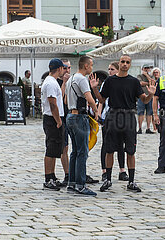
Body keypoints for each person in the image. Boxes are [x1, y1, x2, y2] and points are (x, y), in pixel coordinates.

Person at [90, 54, 156, 193]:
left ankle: (131, 181)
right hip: (113, 115)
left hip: (129, 116)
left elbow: (144, 100)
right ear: (119, 63)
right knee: (109, 149)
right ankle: (108, 179)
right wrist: (95, 89)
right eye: (122, 62)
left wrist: (150, 94)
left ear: (130, 65)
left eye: (127, 62)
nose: (125, 64)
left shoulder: (133, 82)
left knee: (131, 150)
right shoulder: (110, 81)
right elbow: (102, 100)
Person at [65, 56, 98, 196]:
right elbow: (89, 98)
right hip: (79, 117)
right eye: (91, 65)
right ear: (86, 66)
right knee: (82, 152)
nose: (91, 67)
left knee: (74, 152)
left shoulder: (71, 79)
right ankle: (81, 184)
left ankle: (72, 183)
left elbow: (66, 100)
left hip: (70, 116)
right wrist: (96, 111)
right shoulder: (82, 79)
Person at [98, 61, 128, 182]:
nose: (110, 72)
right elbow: (101, 100)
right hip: (108, 115)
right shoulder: (107, 83)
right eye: (109, 69)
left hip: (121, 116)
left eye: (112, 69)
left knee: (121, 145)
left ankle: (122, 170)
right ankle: (104, 171)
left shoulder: (123, 82)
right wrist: (98, 114)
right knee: (106, 144)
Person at [41, 58, 66, 191]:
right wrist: (58, 121)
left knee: (55, 148)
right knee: (51, 149)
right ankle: (48, 178)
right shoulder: (51, 83)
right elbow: (52, 103)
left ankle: (52, 175)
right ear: (60, 68)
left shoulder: (52, 81)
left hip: (53, 118)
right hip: (52, 119)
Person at [55, 59, 71, 187]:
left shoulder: (75, 80)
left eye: (69, 68)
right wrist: (64, 83)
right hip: (62, 117)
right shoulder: (56, 81)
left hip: (73, 116)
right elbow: (59, 99)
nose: (67, 71)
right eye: (65, 68)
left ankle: (76, 173)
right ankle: (67, 174)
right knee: (64, 147)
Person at [137, 63, 155, 134]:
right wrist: (148, 82)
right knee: (140, 112)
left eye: (148, 68)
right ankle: (140, 128)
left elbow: (152, 83)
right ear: (142, 69)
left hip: (150, 96)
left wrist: (147, 76)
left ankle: (148, 128)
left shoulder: (151, 76)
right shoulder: (139, 76)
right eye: (145, 68)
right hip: (142, 96)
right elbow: (140, 83)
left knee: (149, 112)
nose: (147, 69)